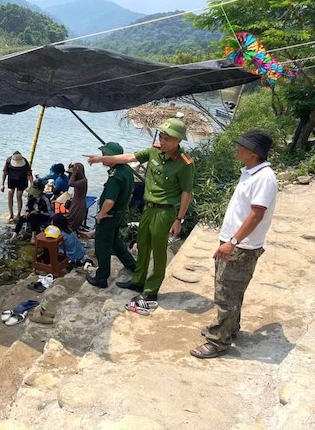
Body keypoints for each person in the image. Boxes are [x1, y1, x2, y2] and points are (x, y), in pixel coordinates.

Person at [84, 118, 194, 303]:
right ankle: (138, 280)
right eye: (162, 136)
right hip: (148, 208)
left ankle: (151, 290)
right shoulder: (154, 151)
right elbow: (129, 157)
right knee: (143, 246)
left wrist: (179, 219)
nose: (163, 141)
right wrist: (102, 159)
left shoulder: (184, 163)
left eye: (168, 138)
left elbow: (186, 193)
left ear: (179, 141)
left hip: (165, 211)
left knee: (158, 252)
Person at [190, 130, 277, 359]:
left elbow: (256, 215)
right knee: (231, 291)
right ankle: (230, 328)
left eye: (242, 146)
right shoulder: (250, 172)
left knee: (226, 294)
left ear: (254, 153)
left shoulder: (264, 178)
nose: (237, 149)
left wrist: (233, 242)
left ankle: (218, 341)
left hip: (241, 246)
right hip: (235, 241)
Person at [85, 142, 137, 288]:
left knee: (102, 246)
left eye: (104, 156)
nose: (102, 158)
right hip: (119, 213)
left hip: (109, 216)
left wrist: (101, 214)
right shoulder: (126, 170)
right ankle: (132, 265)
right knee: (115, 242)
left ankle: (101, 278)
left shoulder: (116, 176)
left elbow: (109, 201)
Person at [9, 179, 52, 244]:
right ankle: (15, 235)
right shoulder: (31, 197)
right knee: (22, 218)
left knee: (33, 216)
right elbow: (27, 206)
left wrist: (39, 212)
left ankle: (33, 237)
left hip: (42, 216)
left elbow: (49, 213)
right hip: (31, 214)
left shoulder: (45, 200)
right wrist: (27, 212)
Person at [1, 151, 33, 223]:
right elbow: (4, 173)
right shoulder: (9, 161)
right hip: (12, 179)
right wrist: (2, 184)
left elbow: (29, 174)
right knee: (10, 193)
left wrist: (32, 184)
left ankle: (18, 213)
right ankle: (11, 213)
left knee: (19, 195)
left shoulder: (25, 162)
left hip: (22, 180)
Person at [66, 162, 88, 232]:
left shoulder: (83, 181)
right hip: (75, 201)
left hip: (79, 204)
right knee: (69, 219)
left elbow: (70, 183)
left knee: (73, 221)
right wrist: (70, 172)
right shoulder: (79, 180)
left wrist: (75, 172)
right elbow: (70, 181)